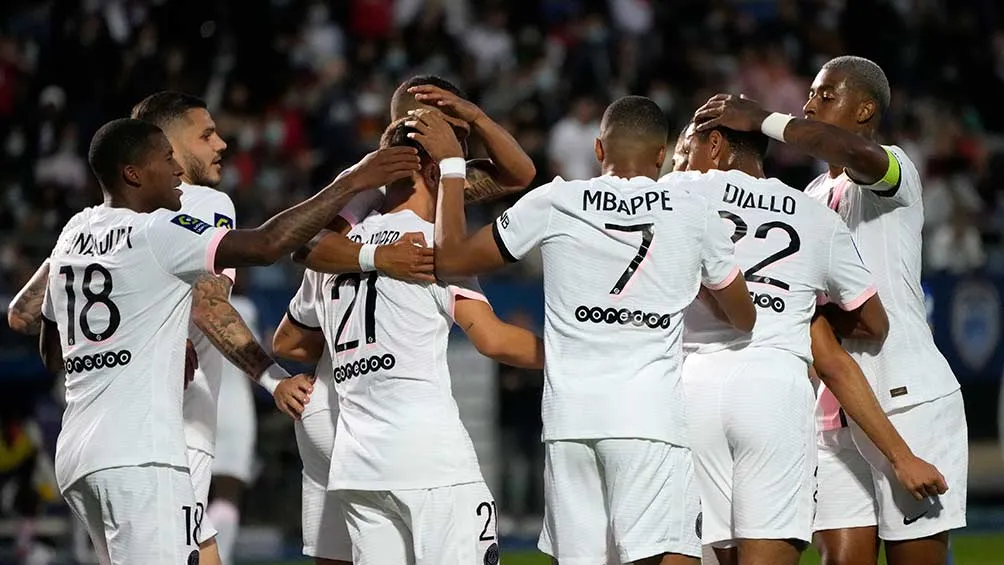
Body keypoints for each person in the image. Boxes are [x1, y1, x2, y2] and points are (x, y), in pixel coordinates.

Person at [38, 118, 418, 564]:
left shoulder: (72, 233)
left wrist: (128, 344)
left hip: (79, 456)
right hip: (141, 455)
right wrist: (354, 182)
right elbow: (266, 245)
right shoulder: (157, 232)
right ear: (133, 174)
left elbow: (52, 350)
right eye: (166, 161)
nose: (177, 171)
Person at [426, 95, 757, 565]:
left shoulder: (555, 200)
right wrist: (690, 281)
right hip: (649, 422)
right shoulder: (692, 209)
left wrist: (453, 166)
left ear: (599, 150)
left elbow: (452, 259)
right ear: (661, 155)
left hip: (570, 424)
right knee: (672, 556)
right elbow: (744, 317)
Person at [693, 55, 965, 565]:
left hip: (905, 393)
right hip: (832, 408)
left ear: (865, 110)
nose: (810, 103)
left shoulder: (893, 169)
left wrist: (764, 121)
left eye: (825, 94)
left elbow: (848, 153)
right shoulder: (810, 198)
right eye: (811, 93)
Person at [283, 74, 537, 565]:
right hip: (430, 460)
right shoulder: (434, 246)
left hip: (358, 467)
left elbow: (292, 326)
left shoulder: (341, 244)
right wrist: (578, 352)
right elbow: (494, 340)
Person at [670, 119, 887, 565]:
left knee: (704, 551)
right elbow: (873, 321)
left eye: (688, 147)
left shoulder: (678, 189)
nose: (684, 159)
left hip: (689, 385)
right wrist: (798, 310)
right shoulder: (813, 214)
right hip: (775, 383)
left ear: (715, 145)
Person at [130, 90, 258, 565]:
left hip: (108, 432)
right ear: (167, 145)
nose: (221, 143)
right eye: (206, 135)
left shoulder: (99, 219)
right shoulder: (205, 201)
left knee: (201, 548)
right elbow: (209, 307)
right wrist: (273, 378)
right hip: (178, 428)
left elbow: (27, 311)